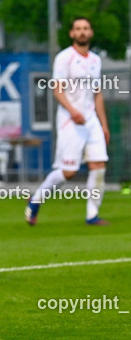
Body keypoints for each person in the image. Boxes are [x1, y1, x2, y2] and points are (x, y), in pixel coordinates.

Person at [25, 17, 110, 226]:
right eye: (78, 29)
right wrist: (73, 111)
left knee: (98, 164)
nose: (82, 32)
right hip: (70, 121)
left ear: (90, 33)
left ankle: (92, 215)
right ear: (72, 33)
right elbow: (57, 90)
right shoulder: (64, 58)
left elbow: (97, 93)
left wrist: (104, 124)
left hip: (90, 121)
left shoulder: (95, 60)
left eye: (86, 28)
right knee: (69, 172)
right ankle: (36, 199)